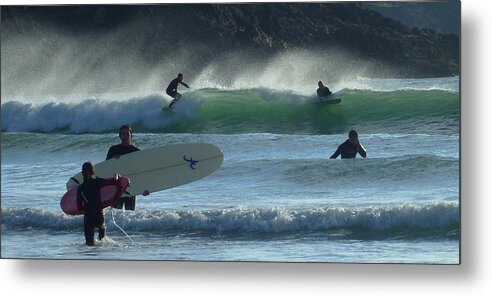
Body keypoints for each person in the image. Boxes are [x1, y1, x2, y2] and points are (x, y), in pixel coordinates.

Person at [77, 162, 122, 246]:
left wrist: (87, 207)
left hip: (88, 217)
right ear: (93, 172)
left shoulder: (80, 188)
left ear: (82, 173)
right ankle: (101, 256)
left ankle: (90, 257)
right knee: (103, 242)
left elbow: (79, 207)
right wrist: (117, 176)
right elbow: (114, 182)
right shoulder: (97, 182)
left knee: (89, 244)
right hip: (98, 215)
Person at [106, 124, 149, 210]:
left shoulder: (136, 152)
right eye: (123, 134)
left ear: (131, 136)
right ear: (119, 136)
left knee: (130, 214)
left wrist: (144, 189)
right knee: (115, 214)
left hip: (132, 187)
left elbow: (141, 172)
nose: (125, 136)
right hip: (116, 188)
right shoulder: (113, 150)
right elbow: (106, 169)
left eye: (127, 134)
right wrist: (112, 160)